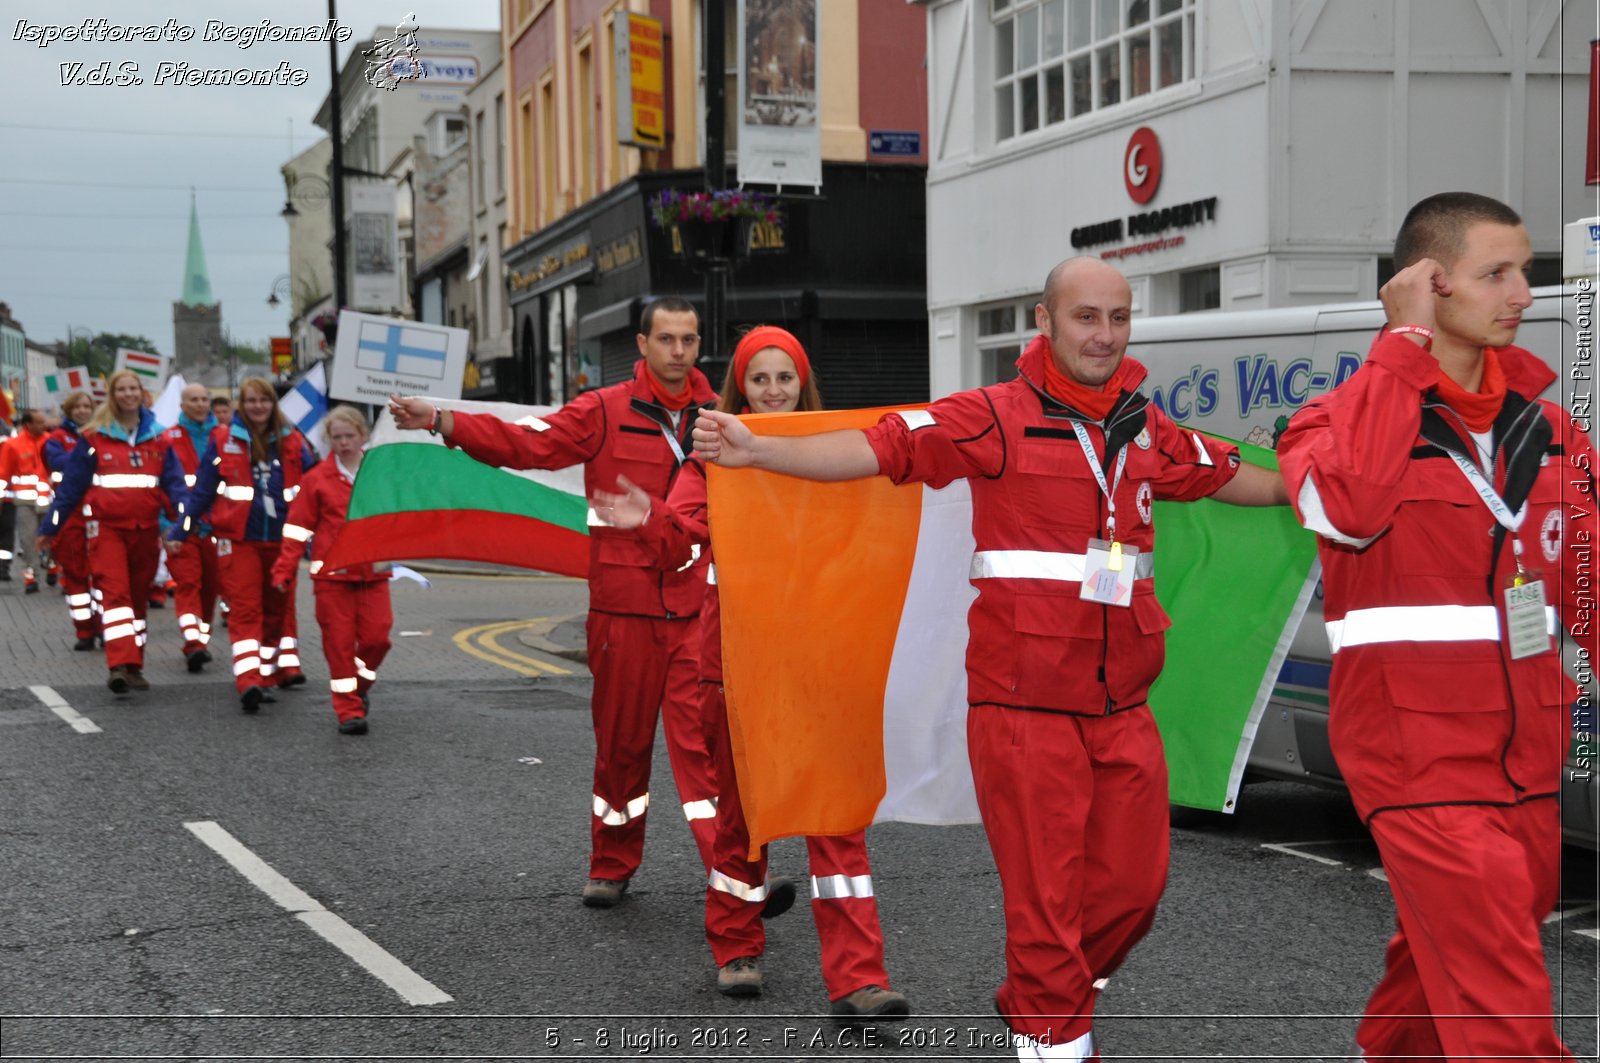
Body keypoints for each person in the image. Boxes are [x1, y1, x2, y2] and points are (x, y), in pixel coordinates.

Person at [693, 258, 1288, 1060]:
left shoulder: (1147, 428)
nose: (1104, 335)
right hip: (1023, 710)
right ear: (1044, 322)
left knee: (1134, 893)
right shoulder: (993, 415)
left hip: (1123, 708)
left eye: (1118, 318)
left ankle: (1041, 999)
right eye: (1085, 317)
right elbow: (877, 449)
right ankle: (1053, 1028)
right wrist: (757, 450)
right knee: (1045, 913)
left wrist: (1314, 484)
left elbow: (1229, 477)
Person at [1278, 192, 1593, 1063]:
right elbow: (1349, 505)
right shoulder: (1331, 422)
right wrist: (1401, 350)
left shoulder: (1552, 430)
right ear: (1428, 285)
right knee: (1502, 998)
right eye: (1497, 273)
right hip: (1415, 762)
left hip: (1527, 760)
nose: (1523, 292)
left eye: (1525, 269)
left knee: (1449, 953)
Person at [595, 326, 908, 1017]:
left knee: (838, 817)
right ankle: (737, 946)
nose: (772, 391)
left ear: (804, 385)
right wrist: (648, 518)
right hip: (734, 668)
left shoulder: (840, 454)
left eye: (784, 378)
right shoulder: (711, 461)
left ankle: (859, 978)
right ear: (740, 387)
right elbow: (679, 543)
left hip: (821, 664)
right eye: (759, 379)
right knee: (742, 822)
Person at [388, 296, 723, 907]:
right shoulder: (603, 411)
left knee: (705, 752)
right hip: (622, 612)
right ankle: (612, 862)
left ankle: (731, 878)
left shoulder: (720, 419)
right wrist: (441, 420)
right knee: (622, 748)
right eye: (667, 339)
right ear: (642, 345)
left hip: (696, 610)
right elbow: (525, 443)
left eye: (690, 340)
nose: (679, 352)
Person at [170, 377, 317, 711]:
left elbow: (314, 487)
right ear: (242, 405)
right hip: (239, 541)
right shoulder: (223, 439)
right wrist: (182, 531)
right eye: (251, 400)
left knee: (277, 610)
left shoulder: (293, 441)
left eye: (263, 400)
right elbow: (203, 491)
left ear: (272, 404)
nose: (258, 406)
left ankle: (265, 673)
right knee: (246, 608)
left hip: (283, 541)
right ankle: (248, 678)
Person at [38, 370, 187, 691]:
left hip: (145, 531)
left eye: (134, 388)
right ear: (112, 395)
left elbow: (175, 486)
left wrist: (182, 527)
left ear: (141, 394)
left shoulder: (160, 438)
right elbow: (72, 487)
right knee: (115, 593)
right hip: (106, 530)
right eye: (122, 389)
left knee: (136, 598)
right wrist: (51, 525)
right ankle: (118, 663)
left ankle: (134, 665)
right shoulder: (93, 437)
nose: (129, 394)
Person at [270, 405, 393, 736]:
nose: (343, 442)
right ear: (328, 440)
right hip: (332, 578)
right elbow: (297, 528)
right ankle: (348, 710)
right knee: (339, 647)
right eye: (336, 437)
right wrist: (284, 570)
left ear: (362, 435)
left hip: (374, 573)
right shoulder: (316, 480)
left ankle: (359, 687)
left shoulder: (379, 470)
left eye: (349, 436)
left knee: (377, 639)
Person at [163, 383, 222, 671]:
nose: (200, 404)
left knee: (211, 588)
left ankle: (202, 638)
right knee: (189, 583)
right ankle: (193, 643)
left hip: (217, 526)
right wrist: (167, 525)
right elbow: (161, 483)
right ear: (182, 405)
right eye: (193, 400)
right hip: (180, 527)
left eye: (204, 399)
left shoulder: (224, 437)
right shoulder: (168, 439)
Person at [42, 391, 99, 648]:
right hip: (69, 514)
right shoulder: (56, 438)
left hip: (98, 513)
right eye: (77, 407)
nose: (83, 411)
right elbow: (58, 463)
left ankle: (106, 626)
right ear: (69, 410)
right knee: (76, 575)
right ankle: (84, 631)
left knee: (102, 576)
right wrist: (85, 453)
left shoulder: (102, 435)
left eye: (87, 406)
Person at [0, 408, 51, 593]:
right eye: (39, 422)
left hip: (49, 501)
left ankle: (53, 566)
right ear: (27, 425)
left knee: (53, 538)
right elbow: (3, 473)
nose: (43, 425)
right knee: (27, 540)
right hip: (24, 503)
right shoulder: (13, 445)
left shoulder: (50, 441)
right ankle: (32, 578)